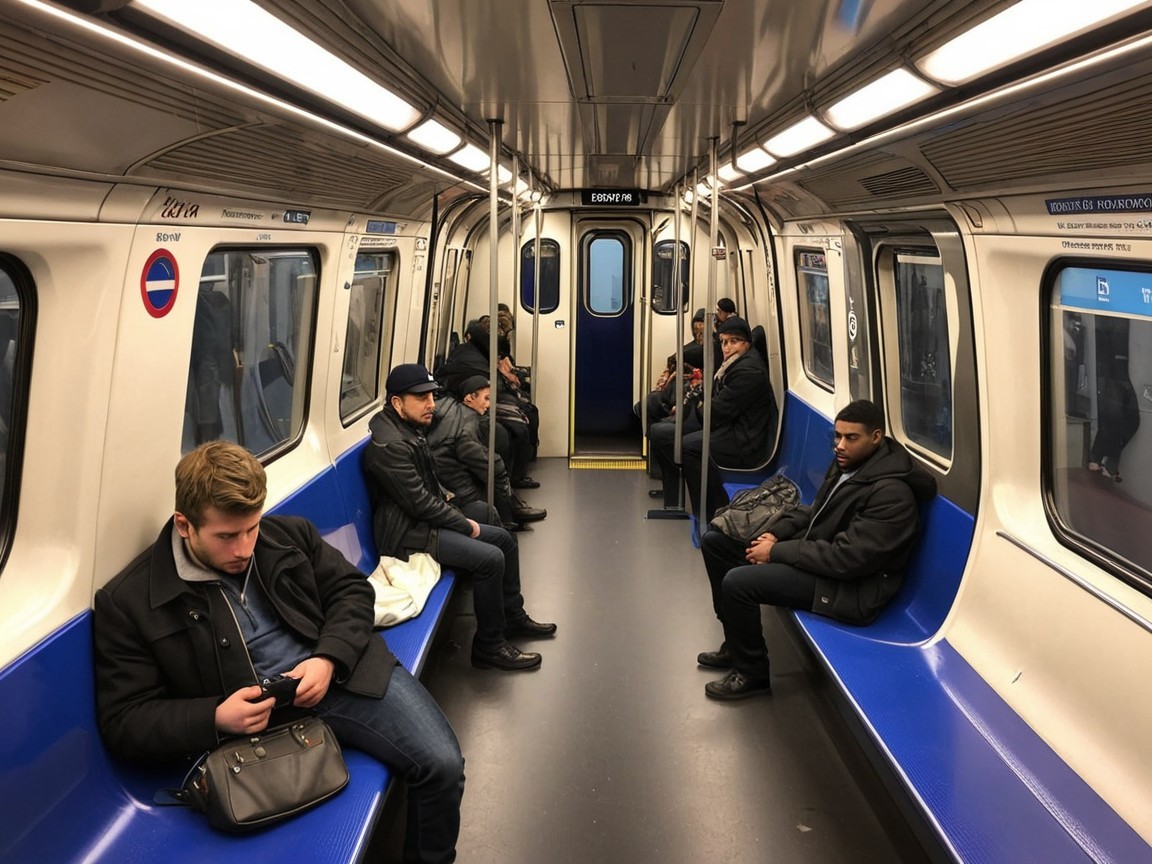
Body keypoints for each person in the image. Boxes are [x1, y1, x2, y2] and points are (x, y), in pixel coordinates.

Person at [93, 441, 465, 863]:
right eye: (226, 536)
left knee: (443, 766)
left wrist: (328, 658)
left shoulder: (286, 537)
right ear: (184, 525)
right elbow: (125, 720)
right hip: (250, 724)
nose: (244, 548)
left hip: (336, 676)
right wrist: (214, 716)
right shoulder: (130, 602)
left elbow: (351, 592)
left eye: (251, 527)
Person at [697, 400, 937, 700]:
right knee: (716, 543)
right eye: (837, 436)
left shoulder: (892, 495)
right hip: (819, 561)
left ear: (876, 437)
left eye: (851, 438)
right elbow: (816, 513)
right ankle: (734, 644)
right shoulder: (848, 467)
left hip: (851, 589)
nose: (840, 445)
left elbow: (847, 559)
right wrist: (775, 533)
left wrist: (775, 552)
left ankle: (752, 673)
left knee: (738, 583)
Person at [363, 363, 555, 672]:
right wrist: (465, 524)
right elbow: (420, 505)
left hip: (421, 521)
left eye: (432, 397)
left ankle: (513, 617)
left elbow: (426, 488)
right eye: (421, 399)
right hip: (407, 535)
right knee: (489, 558)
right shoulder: (391, 446)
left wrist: (457, 508)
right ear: (397, 403)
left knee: (502, 536)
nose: (431, 405)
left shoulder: (409, 428)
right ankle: (488, 646)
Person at [650, 316, 776, 520]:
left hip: (745, 441)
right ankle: (696, 505)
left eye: (734, 341)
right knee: (670, 432)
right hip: (736, 428)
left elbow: (717, 411)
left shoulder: (748, 371)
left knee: (689, 446)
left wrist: (694, 411)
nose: (727, 347)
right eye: (724, 342)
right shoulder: (735, 365)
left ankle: (711, 514)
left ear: (747, 343)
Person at [427, 374, 546, 530]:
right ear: (469, 398)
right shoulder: (467, 426)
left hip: (443, 483)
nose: (489, 404)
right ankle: (509, 517)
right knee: (493, 470)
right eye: (486, 398)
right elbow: (488, 463)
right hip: (460, 493)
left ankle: (512, 508)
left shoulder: (448, 408)